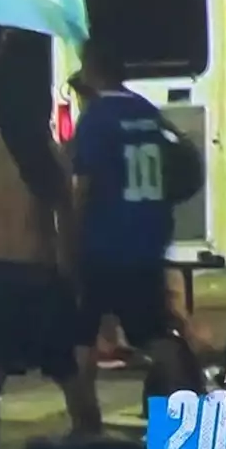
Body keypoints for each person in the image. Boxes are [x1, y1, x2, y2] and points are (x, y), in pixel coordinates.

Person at [0, 38, 97, 449]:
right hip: (40, 272)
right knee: (71, 380)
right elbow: (69, 221)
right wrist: (72, 274)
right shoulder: (48, 154)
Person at [70, 38, 195, 420]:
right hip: (148, 239)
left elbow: (83, 189)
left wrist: (70, 241)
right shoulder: (148, 112)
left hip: (105, 243)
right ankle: (186, 413)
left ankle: (85, 423)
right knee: (156, 335)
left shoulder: (96, 119)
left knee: (82, 337)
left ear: (93, 69)